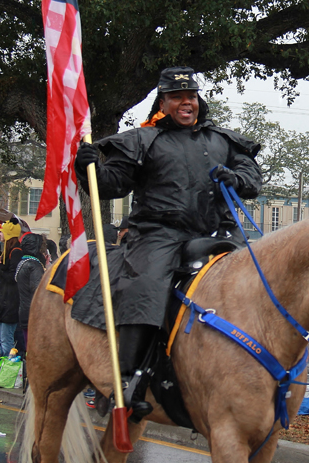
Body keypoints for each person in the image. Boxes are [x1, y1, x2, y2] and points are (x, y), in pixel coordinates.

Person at [74, 66, 262, 418]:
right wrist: (90, 169)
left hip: (216, 233)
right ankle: (126, 382)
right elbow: (113, 184)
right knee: (145, 284)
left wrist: (234, 177)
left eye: (190, 96)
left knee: (258, 282)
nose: (185, 103)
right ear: (163, 102)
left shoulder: (223, 139)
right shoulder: (144, 140)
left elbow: (252, 177)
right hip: (160, 234)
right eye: (177, 97)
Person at [0, 220, 22, 357]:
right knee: (1, 340)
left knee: (6, 340)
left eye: (1, 232)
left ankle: (8, 373)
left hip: (10, 302)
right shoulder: (8, 252)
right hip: (4, 302)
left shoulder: (16, 252)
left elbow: (11, 277)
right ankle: (4, 372)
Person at [16, 234, 46, 354]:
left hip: (24, 309)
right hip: (34, 312)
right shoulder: (34, 265)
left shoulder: (22, 263)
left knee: (29, 346)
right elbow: (38, 290)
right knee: (35, 348)